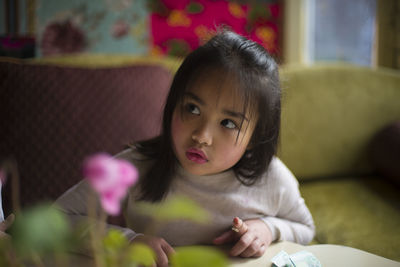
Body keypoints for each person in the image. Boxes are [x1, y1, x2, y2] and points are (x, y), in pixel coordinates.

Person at [55, 30, 315, 267]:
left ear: (255, 137)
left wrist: (268, 229)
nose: (201, 136)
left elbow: (305, 228)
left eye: (228, 123)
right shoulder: (134, 167)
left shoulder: (272, 178)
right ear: (172, 104)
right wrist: (129, 241)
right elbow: (59, 218)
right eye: (192, 108)